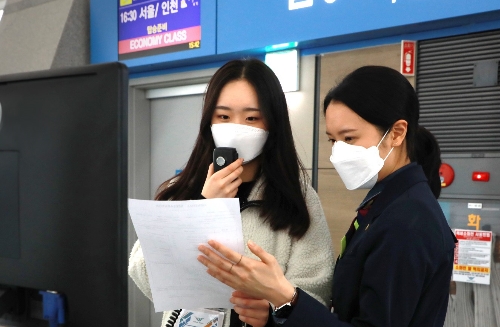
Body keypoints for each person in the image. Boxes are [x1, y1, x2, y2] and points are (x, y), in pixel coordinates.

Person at [197, 65, 457, 327]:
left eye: (349, 138)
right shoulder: (386, 203)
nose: (339, 154)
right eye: (333, 140)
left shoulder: (407, 220)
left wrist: (285, 298)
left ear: (397, 133)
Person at [128, 58, 334, 327]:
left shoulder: (299, 198)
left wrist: (275, 311)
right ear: (209, 120)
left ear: (272, 123)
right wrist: (203, 207)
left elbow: (317, 290)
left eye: (251, 118)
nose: (236, 127)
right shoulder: (180, 189)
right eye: (223, 116)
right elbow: (143, 274)